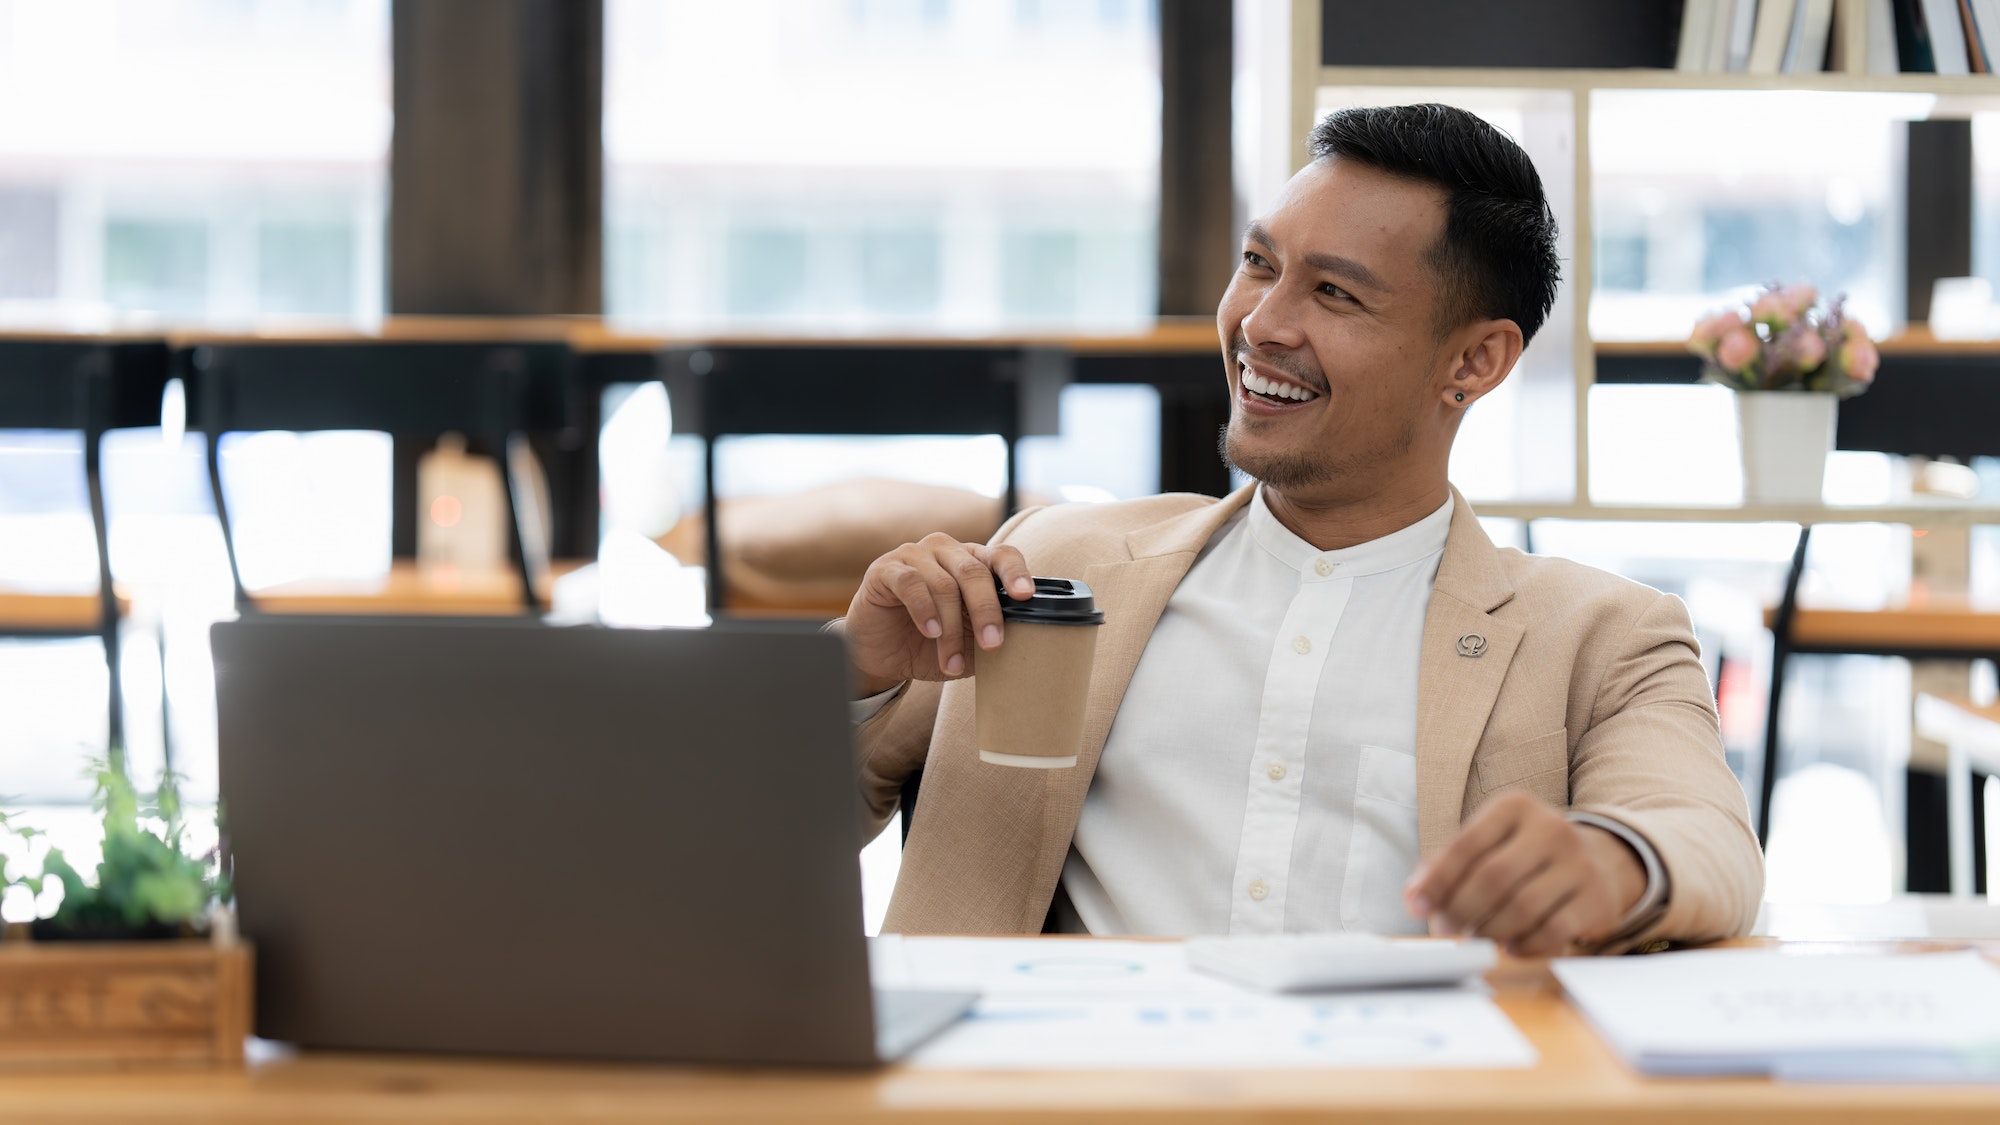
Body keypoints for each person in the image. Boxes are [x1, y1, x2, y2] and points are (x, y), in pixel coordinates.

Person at [839, 103, 1762, 954]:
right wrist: (853, 672)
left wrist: (1605, 860)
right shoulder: (1047, 568)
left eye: (1336, 295)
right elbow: (753, 829)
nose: (1262, 324)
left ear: (1475, 361)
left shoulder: (1602, 637)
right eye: (1260, 265)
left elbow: (1705, 840)